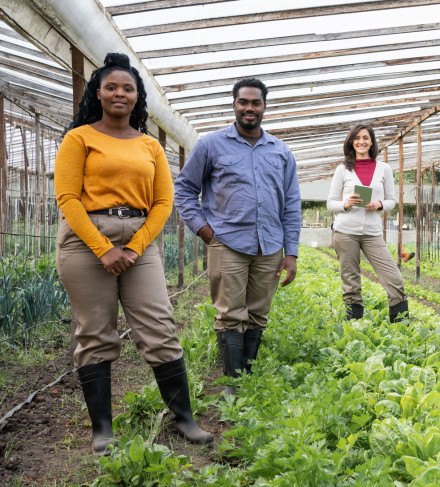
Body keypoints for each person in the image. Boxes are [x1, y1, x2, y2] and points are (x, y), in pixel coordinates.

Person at [55, 53, 212, 453]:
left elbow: (163, 202)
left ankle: (185, 420)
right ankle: (102, 430)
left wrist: (135, 247)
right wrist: (103, 249)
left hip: (139, 238)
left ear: (138, 96)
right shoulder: (79, 139)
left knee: (159, 328)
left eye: (128, 88)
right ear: (98, 93)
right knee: (94, 332)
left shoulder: (150, 146)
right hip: (87, 238)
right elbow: (68, 199)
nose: (120, 93)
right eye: (112, 87)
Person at [174, 78, 301, 396]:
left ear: (264, 107)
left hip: (270, 245)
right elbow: (185, 189)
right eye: (243, 101)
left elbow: (291, 204)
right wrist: (204, 230)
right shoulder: (211, 145)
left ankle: (246, 376)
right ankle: (232, 385)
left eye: (255, 103)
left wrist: (292, 252)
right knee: (230, 312)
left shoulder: (280, 151)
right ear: (234, 104)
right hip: (227, 242)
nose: (249, 108)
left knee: (258, 312)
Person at [327, 124, 409, 322]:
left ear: (372, 142)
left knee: (394, 278)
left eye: (365, 138)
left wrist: (379, 204)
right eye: (357, 138)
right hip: (345, 232)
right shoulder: (342, 169)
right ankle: (354, 326)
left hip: (372, 233)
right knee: (351, 281)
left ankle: (400, 327)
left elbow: (391, 200)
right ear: (351, 142)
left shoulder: (384, 169)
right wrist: (346, 204)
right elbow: (330, 203)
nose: (361, 142)